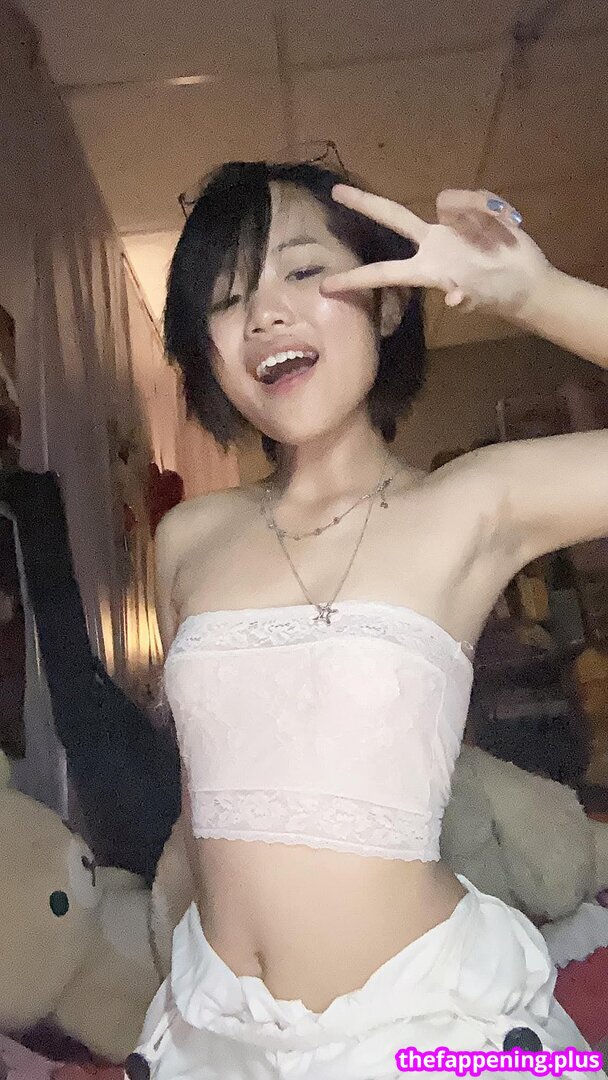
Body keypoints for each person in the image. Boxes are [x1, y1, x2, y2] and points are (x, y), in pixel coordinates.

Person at [127, 159, 608, 1079]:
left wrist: (533, 294)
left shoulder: (473, 503)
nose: (265, 314)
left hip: (421, 1033)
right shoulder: (187, 537)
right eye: (227, 300)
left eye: (304, 271)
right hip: (213, 1032)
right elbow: (202, 810)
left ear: (387, 304)